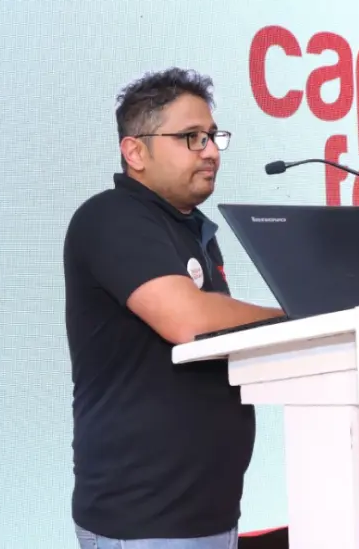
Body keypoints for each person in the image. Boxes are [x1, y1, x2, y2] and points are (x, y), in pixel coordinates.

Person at [63, 68, 284, 548]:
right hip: (144, 522)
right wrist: (298, 316)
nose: (211, 151)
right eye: (191, 137)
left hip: (209, 517)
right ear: (135, 152)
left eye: (212, 136)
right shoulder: (111, 217)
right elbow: (189, 320)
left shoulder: (190, 229)